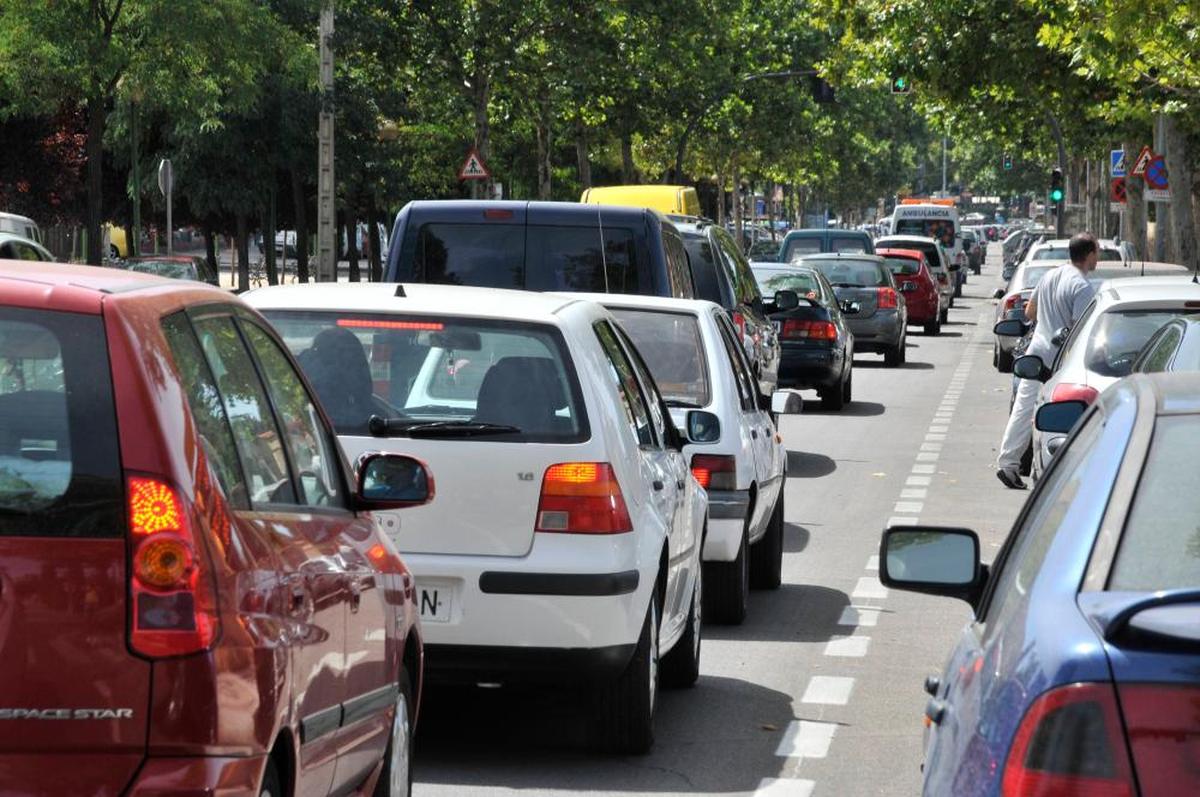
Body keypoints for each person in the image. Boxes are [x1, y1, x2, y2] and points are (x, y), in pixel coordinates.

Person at [996, 232, 1099, 488]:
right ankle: (1039, 470)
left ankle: (1008, 464)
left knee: (1024, 408)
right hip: (1060, 359)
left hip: (1036, 352)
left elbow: (1030, 311)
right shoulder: (1082, 286)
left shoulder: (1051, 275)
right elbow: (1080, 328)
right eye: (1097, 252)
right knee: (1052, 415)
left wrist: (1046, 322)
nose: (1098, 257)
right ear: (1089, 255)